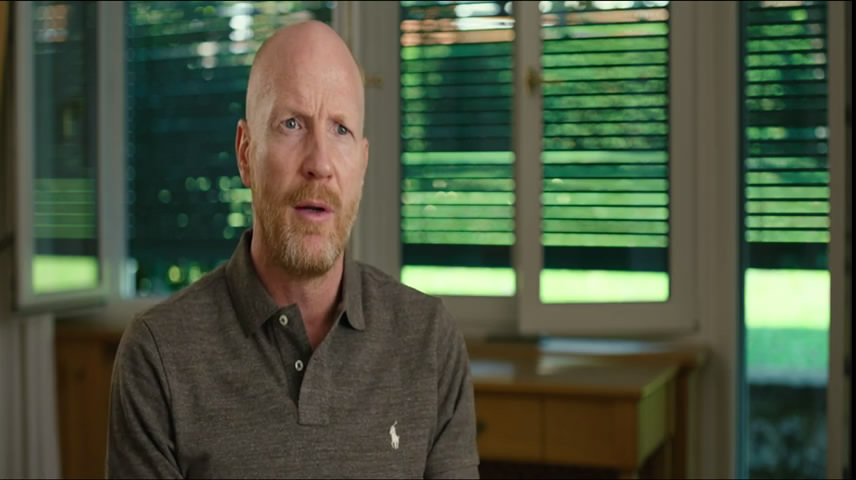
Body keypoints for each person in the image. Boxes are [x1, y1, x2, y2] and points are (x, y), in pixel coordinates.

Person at [106, 20, 480, 479]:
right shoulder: (158, 356)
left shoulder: (429, 342)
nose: (319, 163)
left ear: (362, 166)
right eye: (292, 124)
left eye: (340, 129)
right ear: (246, 153)